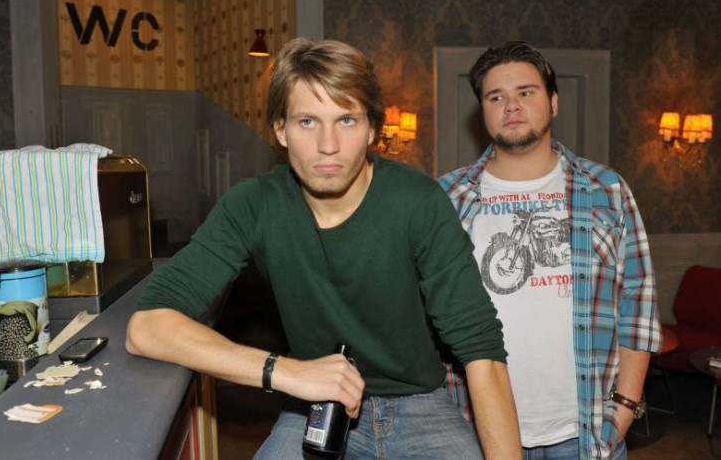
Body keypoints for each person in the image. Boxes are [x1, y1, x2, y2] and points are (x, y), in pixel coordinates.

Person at [126, 38, 520, 458]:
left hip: (421, 405)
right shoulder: (254, 205)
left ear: (372, 128)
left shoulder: (418, 201)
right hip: (312, 401)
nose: (328, 145)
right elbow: (147, 327)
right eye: (308, 122)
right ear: (281, 129)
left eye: (346, 120)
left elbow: (482, 351)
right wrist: (284, 371)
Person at [439, 40, 663, 459]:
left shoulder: (606, 190)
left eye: (525, 92)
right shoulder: (446, 197)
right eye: (495, 97)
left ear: (553, 102)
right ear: (482, 110)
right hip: (474, 431)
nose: (511, 105)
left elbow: (638, 302)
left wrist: (625, 406)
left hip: (585, 432)